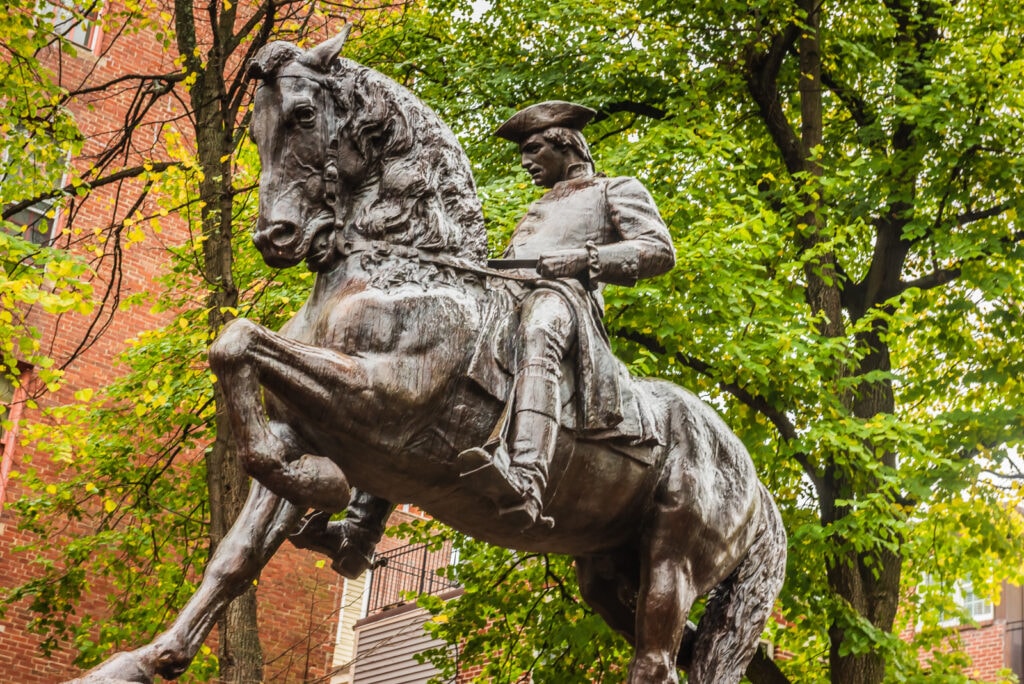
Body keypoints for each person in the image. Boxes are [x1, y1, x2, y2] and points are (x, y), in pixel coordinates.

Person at [459, 101, 676, 528]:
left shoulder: (615, 189)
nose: (524, 163)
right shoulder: (539, 207)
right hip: (507, 296)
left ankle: (526, 477)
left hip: (564, 301)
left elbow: (659, 251)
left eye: (533, 149)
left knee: (539, 328)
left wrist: (582, 258)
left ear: (566, 145)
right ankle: (361, 523)